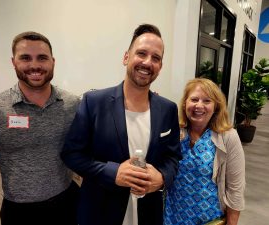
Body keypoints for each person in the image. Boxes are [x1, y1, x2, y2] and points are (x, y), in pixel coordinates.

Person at [61, 24, 182, 225]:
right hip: (100, 213)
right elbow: (71, 154)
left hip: (148, 214)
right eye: (141, 53)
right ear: (126, 57)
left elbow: (173, 157)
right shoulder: (93, 102)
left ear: (160, 66)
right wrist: (112, 172)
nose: (147, 62)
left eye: (156, 58)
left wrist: (161, 177)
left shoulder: (168, 109)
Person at [0, 31, 80, 225]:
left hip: (68, 202)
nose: (35, 65)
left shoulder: (72, 104)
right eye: (25, 58)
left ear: (53, 61)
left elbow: (84, 153)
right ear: (13, 62)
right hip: (20, 212)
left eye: (42, 58)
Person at [164, 78, 245, 225]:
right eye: (194, 99)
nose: (199, 105)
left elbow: (235, 188)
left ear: (216, 107)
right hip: (172, 217)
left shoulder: (228, 137)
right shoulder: (176, 132)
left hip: (209, 219)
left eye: (207, 101)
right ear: (185, 104)